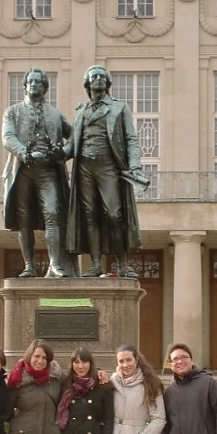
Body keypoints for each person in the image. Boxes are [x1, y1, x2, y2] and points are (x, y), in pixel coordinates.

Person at [64, 65, 147, 278]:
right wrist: (53, 153)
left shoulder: (119, 108)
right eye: (94, 77)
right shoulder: (80, 111)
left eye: (102, 77)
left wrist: (135, 165)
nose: (98, 79)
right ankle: (95, 264)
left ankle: (122, 264)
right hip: (84, 166)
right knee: (90, 215)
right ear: (88, 84)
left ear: (108, 83)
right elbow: (72, 145)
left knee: (113, 214)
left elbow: (131, 139)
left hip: (108, 165)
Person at [2, 67, 72, 278]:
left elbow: (75, 137)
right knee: (24, 218)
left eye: (39, 82)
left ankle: (54, 264)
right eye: (31, 81)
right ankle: (29, 266)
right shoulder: (12, 112)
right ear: (25, 86)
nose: (34, 84)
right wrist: (23, 151)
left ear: (45, 88)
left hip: (48, 171)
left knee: (52, 213)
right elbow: (7, 136)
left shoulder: (56, 114)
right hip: (23, 170)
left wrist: (64, 152)